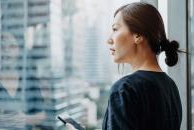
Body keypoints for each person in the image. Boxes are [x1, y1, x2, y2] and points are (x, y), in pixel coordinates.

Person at [68, 2, 182, 130]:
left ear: (138, 35)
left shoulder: (125, 89)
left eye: (115, 29)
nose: (109, 40)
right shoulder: (170, 86)